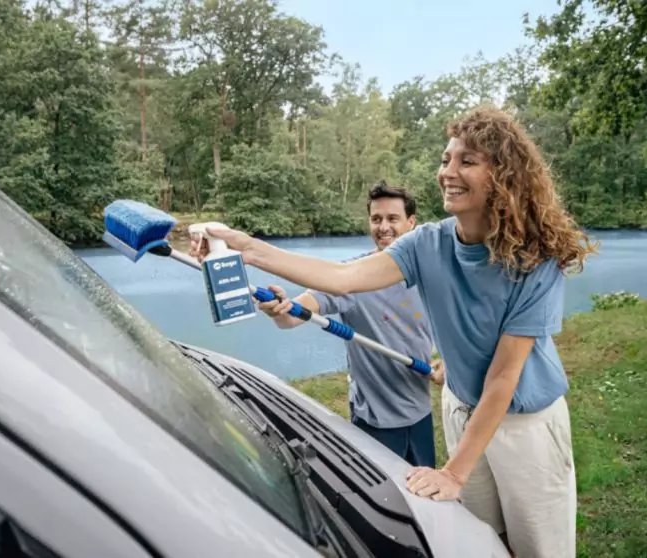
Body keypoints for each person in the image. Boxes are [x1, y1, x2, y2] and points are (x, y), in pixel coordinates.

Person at [190, 105, 596, 557]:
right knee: (481, 542)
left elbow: (504, 377)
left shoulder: (534, 259)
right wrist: (247, 247)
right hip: (462, 409)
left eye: (467, 161)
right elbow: (342, 278)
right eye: (446, 159)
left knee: (539, 550)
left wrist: (454, 472)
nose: (448, 172)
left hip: (525, 426)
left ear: (503, 174)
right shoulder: (428, 243)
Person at [256, 181, 444, 468]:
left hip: (420, 412)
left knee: (426, 495)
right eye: (376, 219)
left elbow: (453, 325)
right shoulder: (351, 278)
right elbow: (292, 316)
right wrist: (280, 309)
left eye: (393, 218)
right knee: (382, 503)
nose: (383, 227)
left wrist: (446, 362)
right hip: (375, 420)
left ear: (411, 223)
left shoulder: (428, 273)